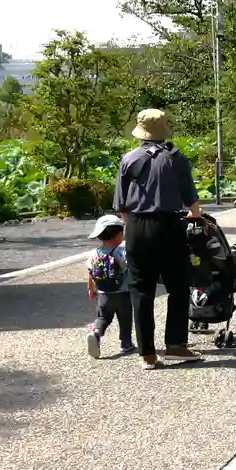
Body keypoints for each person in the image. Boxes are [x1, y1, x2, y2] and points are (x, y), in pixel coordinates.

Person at [114, 108, 203, 367]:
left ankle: (147, 355)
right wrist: (196, 216)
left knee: (142, 291)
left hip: (137, 227)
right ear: (164, 131)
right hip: (169, 225)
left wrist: (134, 228)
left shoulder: (128, 159)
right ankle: (175, 345)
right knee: (178, 286)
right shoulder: (176, 159)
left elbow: (121, 204)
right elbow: (191, 201)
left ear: (140, 132)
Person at [85, 213, 135, 359]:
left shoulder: (94, 253)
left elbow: (90, 273)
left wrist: (91, 289)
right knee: (125, 319)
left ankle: (96, 332)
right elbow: (130, 268)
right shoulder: (121, 252)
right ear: (119, 234)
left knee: (103, 317)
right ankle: (126, 343)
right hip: (123, 292)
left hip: (103, 293)